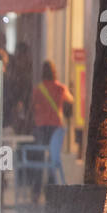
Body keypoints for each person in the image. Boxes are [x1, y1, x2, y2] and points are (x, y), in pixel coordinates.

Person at [28, 59, 73, 202]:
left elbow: (32, 107)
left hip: (41, 126)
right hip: (56, 128)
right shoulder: (60, 88)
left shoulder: (38, 89)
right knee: (53, 160)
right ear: (54, 73)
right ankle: (51, 192)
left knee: (39, 160)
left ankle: (36, 192)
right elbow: (71, 101)